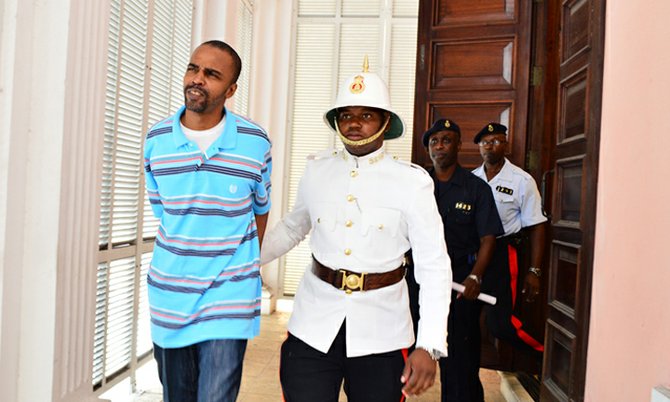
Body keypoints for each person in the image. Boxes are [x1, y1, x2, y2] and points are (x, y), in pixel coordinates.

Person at [260, 60, 452, 401]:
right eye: (346, 114)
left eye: (366, 115)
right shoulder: (318, 171)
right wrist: (237, 259)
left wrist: (429, 344)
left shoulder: (412, 182)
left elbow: (434, 266)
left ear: (385, 122)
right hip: (314, 325)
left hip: (383, 332)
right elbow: (292, 229)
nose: (354, 123)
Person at [143, 40, 272, 402]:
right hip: (171, 295)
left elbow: (260, 209)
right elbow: (166, 211)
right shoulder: (156, 140)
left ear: (230, 90)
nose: (197, 79)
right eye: (193, 68)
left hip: (229, 295)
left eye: (211, 74)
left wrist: (243, 266)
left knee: (216, 396)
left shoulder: (255, 142)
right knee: (177, 396)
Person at [412, 118, 504, 402]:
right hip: (417, 281)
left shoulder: (475, 188)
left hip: (460, 283)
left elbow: (489, 237)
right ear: (428, 148)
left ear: (458, 144)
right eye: (434, 141)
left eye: (446, 140)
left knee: (460, 361)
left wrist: (475, 276)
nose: (440, 146)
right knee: (403, 352)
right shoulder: (417, 185)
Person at [472, 122, 547, 353]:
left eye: (496, 141)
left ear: (505, 144)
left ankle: (542, 355)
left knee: (501, 324)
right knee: (466, 319)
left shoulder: (521, 181)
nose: (490, 147)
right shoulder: (472, 179)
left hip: (503, 255)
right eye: (485, 142)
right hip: (472, 254)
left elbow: (536, 226)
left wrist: (534, 271)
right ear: (479, 147)